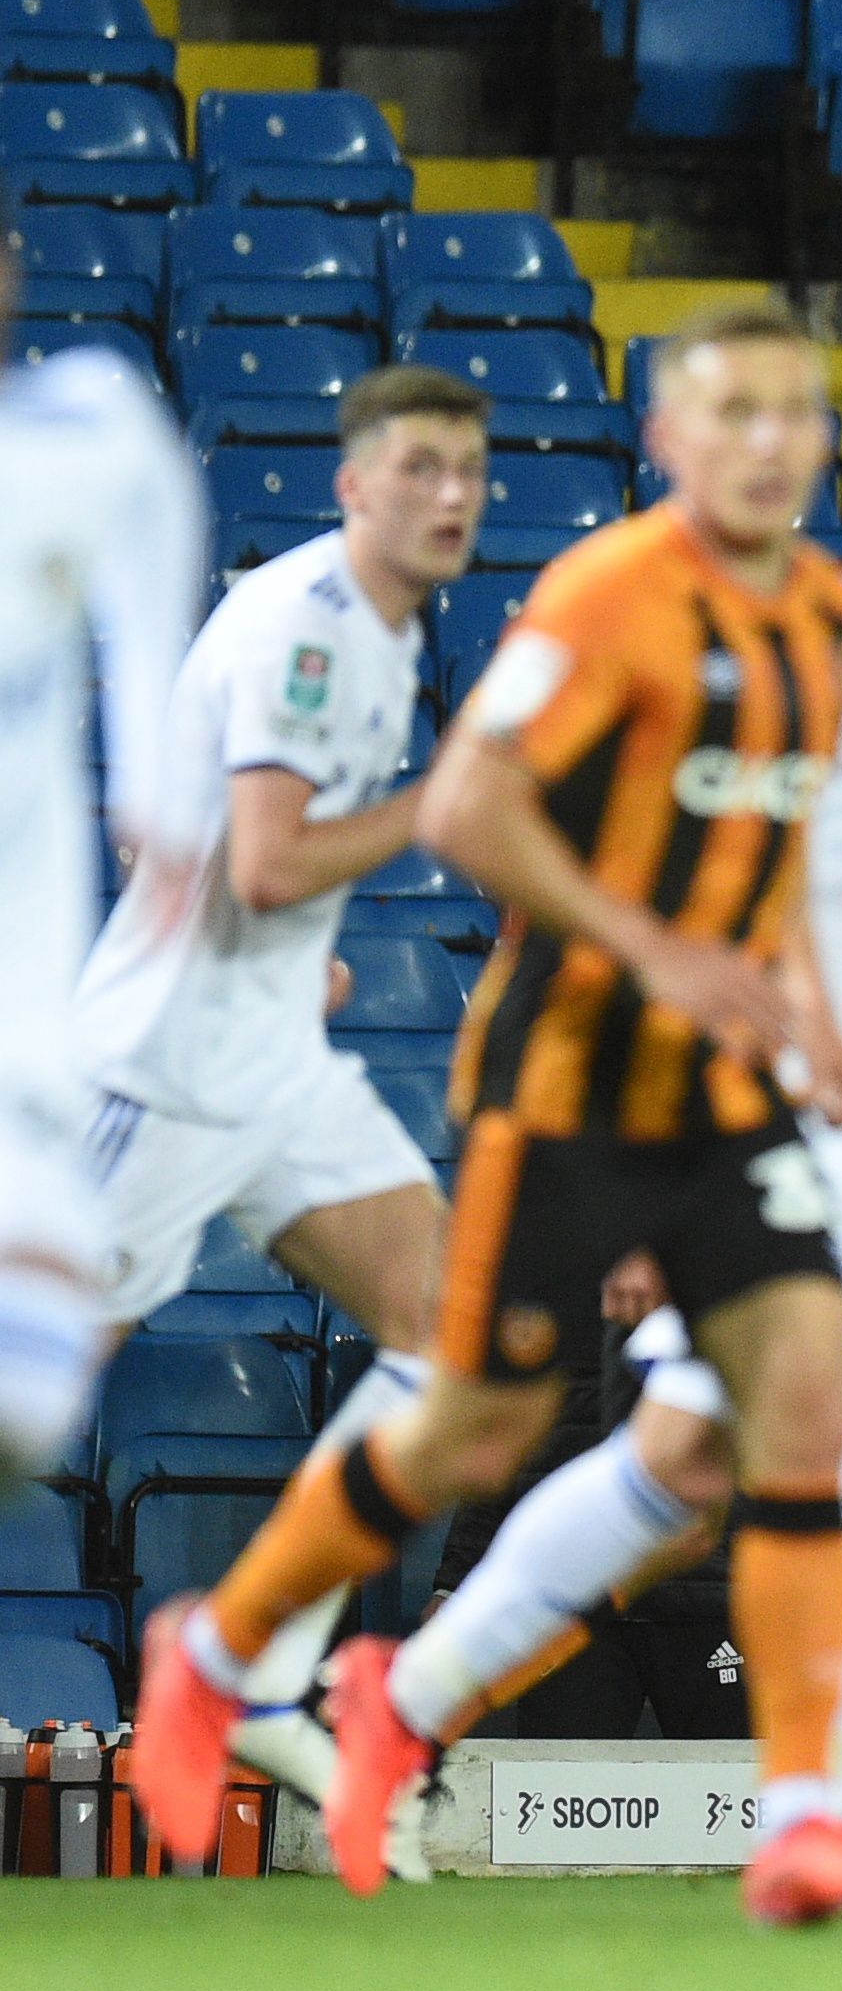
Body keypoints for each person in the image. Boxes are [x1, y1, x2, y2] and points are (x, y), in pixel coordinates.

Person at [342, 359, 842, 1911]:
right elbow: (690, 883)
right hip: (744, 1094)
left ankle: (401, 1703)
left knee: (679, 1460)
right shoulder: (809, 648)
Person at [129, 299, 842, 1927]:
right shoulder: (600, 594)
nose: (770, 442)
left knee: (795, 1407)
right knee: (472, 1418)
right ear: (665, 446)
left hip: (706, 1097)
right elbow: (468, 810)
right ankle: (224, 1661)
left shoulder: (827, 617)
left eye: (797, 413)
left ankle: (813, 1806)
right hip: (553, 1073)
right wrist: (657, 952)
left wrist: (818, 1022)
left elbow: (781, 857)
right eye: (731, 411)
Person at [68, 366, 490, 1861]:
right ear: (352, 484)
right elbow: (264, 857)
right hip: (161, 1068)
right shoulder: (306, 621)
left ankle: (238, 1670)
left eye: (471, 472)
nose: (451, 495)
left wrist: (294, 970)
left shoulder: (391, 625)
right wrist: (440, 805)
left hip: (271, 1068)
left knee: (457, 1335)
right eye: (420, 466)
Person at [0, 216, 202, 1481]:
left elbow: (149, 535)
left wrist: (158, 785)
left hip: (21, 1030)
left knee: (25, 1410)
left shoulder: (82, 431)